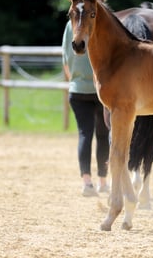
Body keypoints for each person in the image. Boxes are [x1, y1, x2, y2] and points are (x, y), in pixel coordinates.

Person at [62, 20, 110, 197]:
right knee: (103, 135)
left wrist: (74, 81)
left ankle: (86, 183)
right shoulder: (95, 23)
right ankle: (103, 182)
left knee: (84, 134)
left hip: (77, 90)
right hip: (100, 89)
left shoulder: (71, 25)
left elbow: (65, 58)